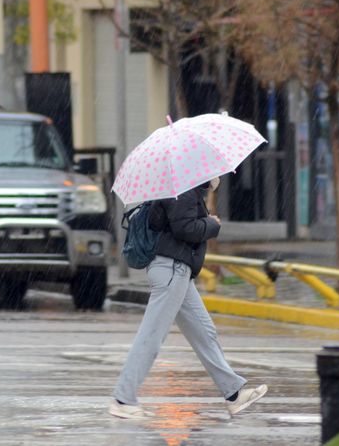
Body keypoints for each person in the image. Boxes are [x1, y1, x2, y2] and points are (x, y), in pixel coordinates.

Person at [109, 177, 268, 419]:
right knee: (151, 336)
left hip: (178, 271)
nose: (218, 177)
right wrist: (212, 224)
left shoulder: (181, 188)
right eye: (216, 173)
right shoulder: (181, 188)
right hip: (172, 270)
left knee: (205, 332)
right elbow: (185, 229)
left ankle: (234, 394)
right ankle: (123, 398)